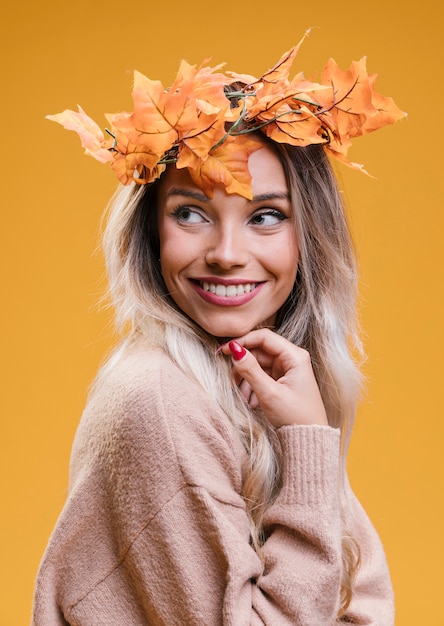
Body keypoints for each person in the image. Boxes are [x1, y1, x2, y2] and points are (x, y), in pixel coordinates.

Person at [32, 34, 405, 625]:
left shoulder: (257, 389)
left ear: (310, 237)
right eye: (191, 213)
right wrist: (309, 444)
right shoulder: (157, 402)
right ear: (151, 233)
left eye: (265, 216)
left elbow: (364, 602)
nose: (227, 254)